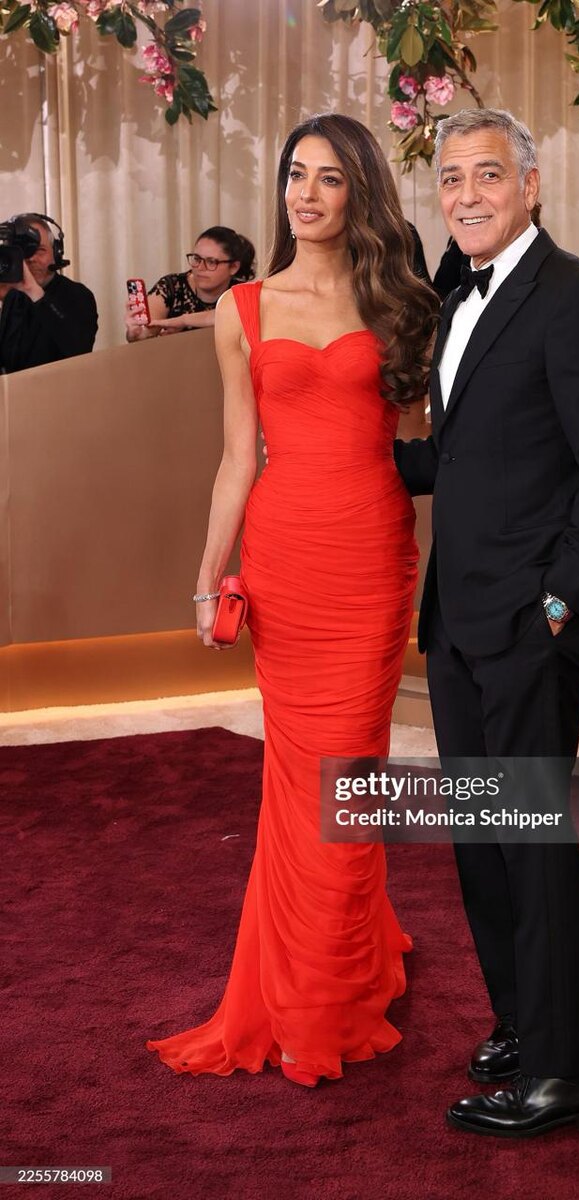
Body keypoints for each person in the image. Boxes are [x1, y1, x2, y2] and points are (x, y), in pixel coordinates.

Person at [146, 114, 439, 1086]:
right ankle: (316, 972)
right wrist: (208, 579)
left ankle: (326, 998)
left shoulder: (399, 301)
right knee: (297, 780)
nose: (306, 194)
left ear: (360, 192)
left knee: (345, 777)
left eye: (328, 178)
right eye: (295, 175)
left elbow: (428, 437)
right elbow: (238, 459)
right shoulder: (244, 309)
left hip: (370, 561)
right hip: (284, 563)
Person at [394, 108, 579, 1138]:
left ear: (532, 185)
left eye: (488, 174)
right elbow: (466, 454)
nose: (467, 194)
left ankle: (570, 1072)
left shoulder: (577, 295)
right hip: (459, 620)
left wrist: (560, 604)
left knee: (530, 844)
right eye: (452, 177)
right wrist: (348, 453)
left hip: (529, 626)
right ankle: (521, 1020)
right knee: (482, 842)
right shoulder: (461, 296)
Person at [0, 213, 97, 374]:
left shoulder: (78, 295)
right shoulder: (13, 297)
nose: (31, 259)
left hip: (60, 388)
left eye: (40, 250)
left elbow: (79, 350)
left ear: (56, 253)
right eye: (23, 252)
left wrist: (34, 291)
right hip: (17, 389)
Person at [125, 226, 256, 341]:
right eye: (197, 259)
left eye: (211, 262)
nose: (200, 267)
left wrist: (183, 320)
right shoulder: (171, 285)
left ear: (233, 267)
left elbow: (230, 315)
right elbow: (150, 329)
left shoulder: (242, 292)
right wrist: (138, 333)